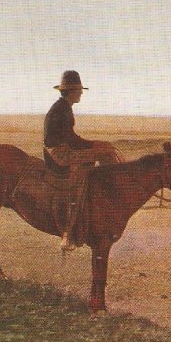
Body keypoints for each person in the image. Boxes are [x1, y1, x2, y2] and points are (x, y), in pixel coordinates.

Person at [44, 70, 120, 252]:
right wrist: (93, 146)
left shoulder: (64, 107)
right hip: (58, 154)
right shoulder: (61, 109)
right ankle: (70, 229)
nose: (81, 93)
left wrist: (94, 144)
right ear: (71, 91)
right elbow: (70, 140)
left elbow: (71, 137)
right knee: (104, 154)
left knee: (105, 150)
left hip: (63, 149)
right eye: (79, 90)